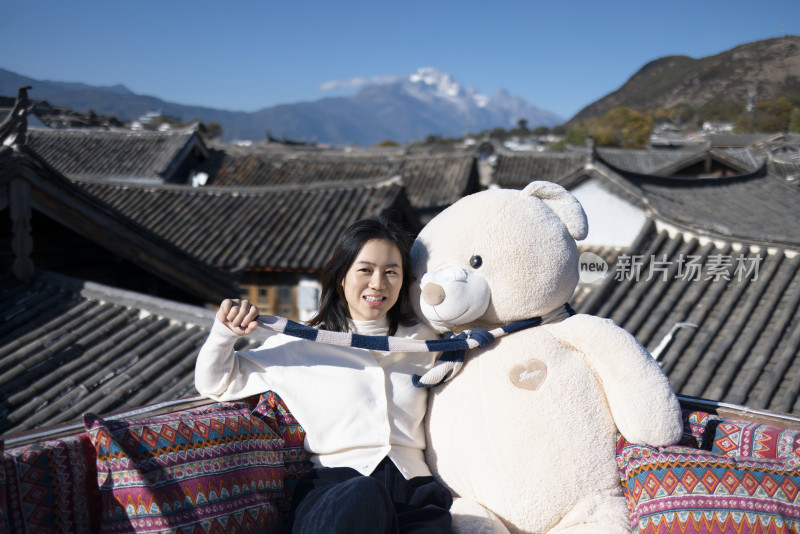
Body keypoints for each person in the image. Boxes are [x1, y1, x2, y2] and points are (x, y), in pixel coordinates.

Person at [194, 217, 452, 534]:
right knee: (364, 496)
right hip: (336, 492)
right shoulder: (299, 346)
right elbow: (216, 381)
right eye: (365, 270)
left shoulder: (427, 341)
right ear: (342, 276)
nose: (378, 283)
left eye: (391, 272)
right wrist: (224, 333)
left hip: (415, 493)